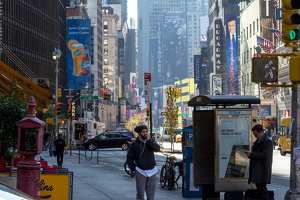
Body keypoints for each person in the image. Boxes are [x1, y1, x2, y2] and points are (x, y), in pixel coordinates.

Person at [127, 125, 160, 200]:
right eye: (143, 132)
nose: (145, 133)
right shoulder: (134, 144)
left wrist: (149, 141)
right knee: (140, 193)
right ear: (139, 133)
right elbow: (130, 158)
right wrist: (134, 168)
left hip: (152, 170)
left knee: (151, 193)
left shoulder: (150, 141)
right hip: (140, 171)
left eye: (146, 132)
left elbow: (157, 149)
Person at [246, 124, 273, 200]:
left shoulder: (267, 141)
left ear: (261, 132)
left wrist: (252, 154)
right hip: (258, 170)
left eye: (256, 134)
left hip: (262, 171)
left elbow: (265, 155)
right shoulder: (259, 141)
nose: (255, 136)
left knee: (262, 190)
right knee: (260, 190)